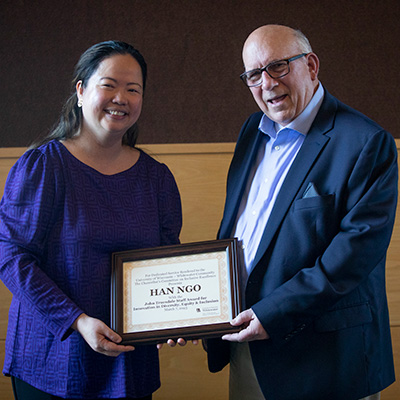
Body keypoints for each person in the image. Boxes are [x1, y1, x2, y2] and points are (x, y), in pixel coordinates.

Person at [206, 25, 398, 400]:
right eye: (254, 74)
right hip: (250, 345)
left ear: (310, 65)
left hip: (326, 359)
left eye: (278, 66)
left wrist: (272, 314)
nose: (267, 83)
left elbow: (352, 256)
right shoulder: (252, 130)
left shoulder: (365, 142)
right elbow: (241, 231)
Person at [0, 41, 182, 399]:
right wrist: (76, 321)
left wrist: (173, 315)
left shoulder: (156, 177)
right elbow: (9, 255)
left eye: (133, 89)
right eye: (109, 85)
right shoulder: (44, 165)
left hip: (130, 362)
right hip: (53, 356)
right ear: (81, 90)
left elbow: (166, 261)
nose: (121, 98)